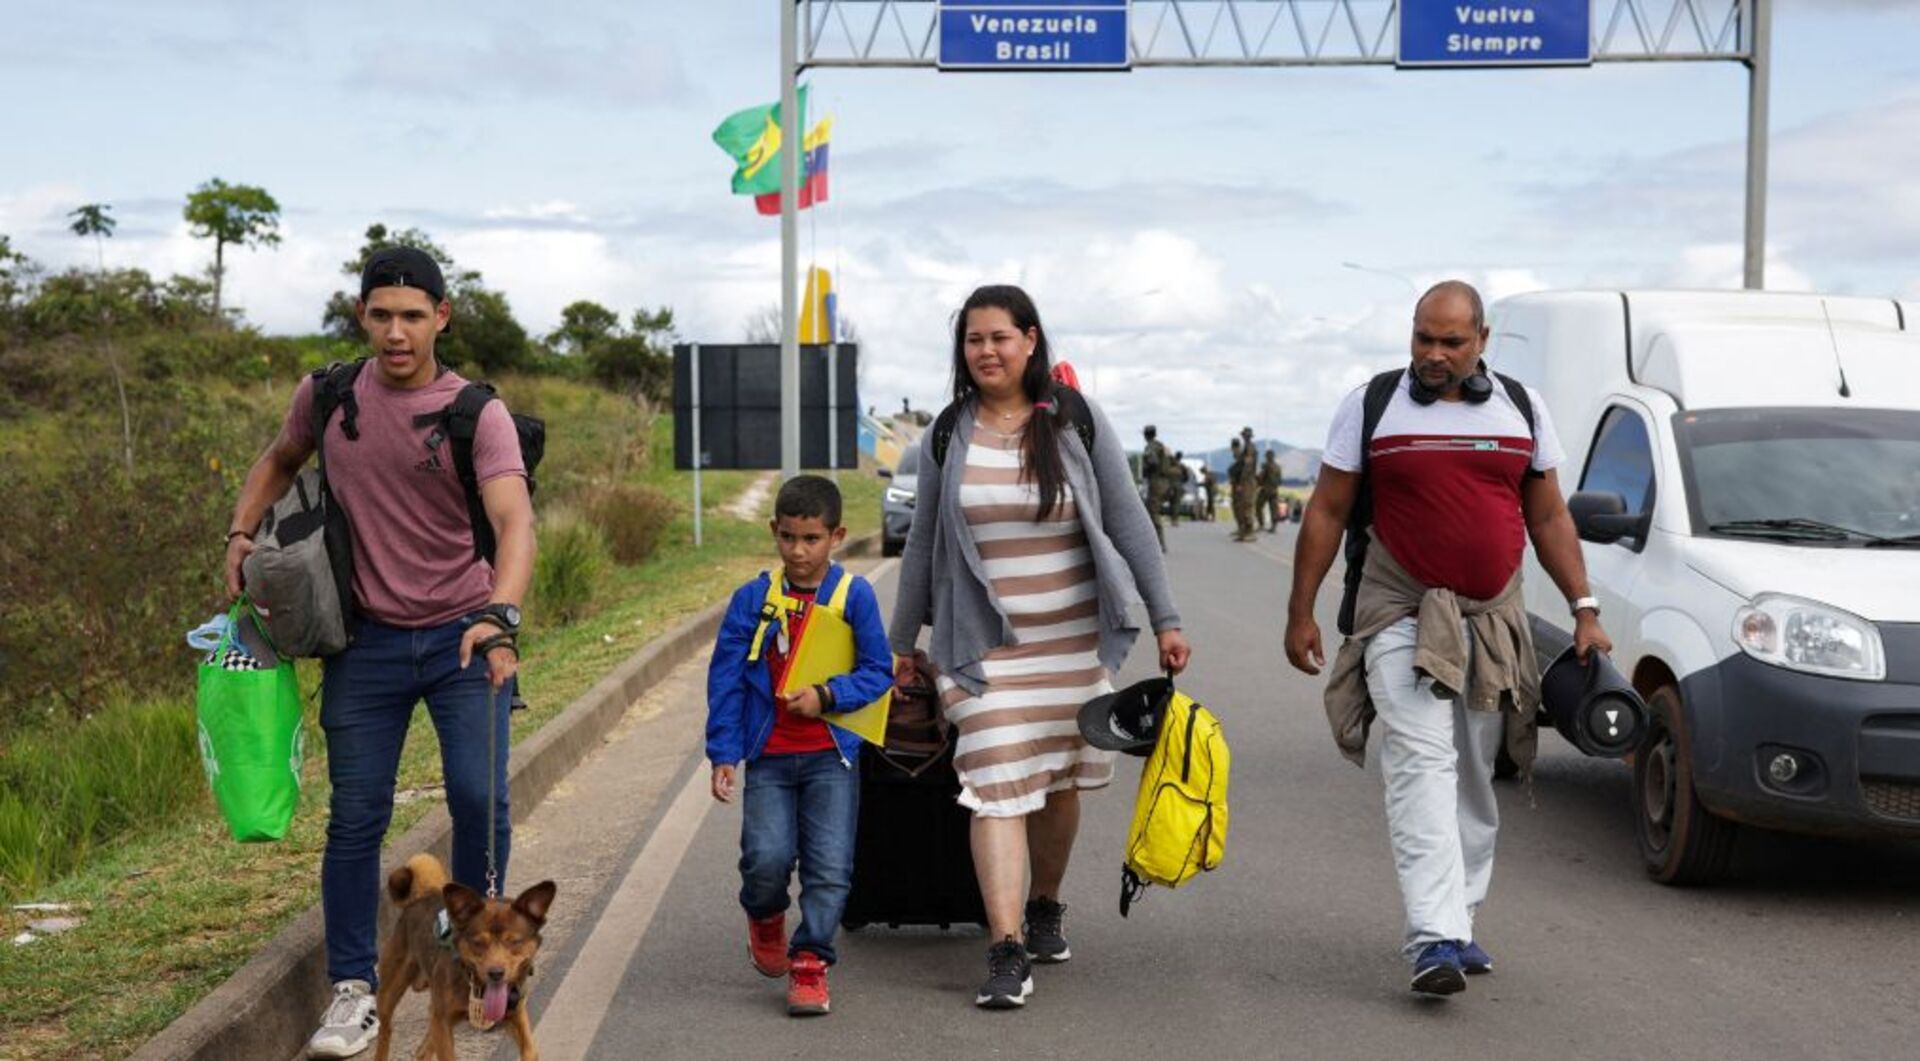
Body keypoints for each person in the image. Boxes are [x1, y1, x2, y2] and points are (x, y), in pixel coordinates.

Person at [222, 247, 535, 1058]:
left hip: (466, 636)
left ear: (442, 316)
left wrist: (501, 615)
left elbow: (515, 523)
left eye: (413, 315)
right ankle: (354, 988)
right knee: (357, 817)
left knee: (476, 796)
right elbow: (277, 459)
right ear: (361, 315)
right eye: (381, 314)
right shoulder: (327, 395)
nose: (397, 332)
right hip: (364, 641)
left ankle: (476, 963)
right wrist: (241, 530)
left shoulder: (475, 411)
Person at [1283, 280, 1611, 997]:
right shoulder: (1373, 403)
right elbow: (1329, 509)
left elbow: (1549, 514)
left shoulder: (1522, 408)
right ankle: (1431, 936)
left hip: (1491, 617)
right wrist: (1300, 609)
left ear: (1482, 340)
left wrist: (1584, 605)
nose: (1433, 354)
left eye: (1450, 342)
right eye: (1422, 338)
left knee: (1470, 770)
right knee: (1419, 759)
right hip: (1398, 609)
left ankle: (1458, 919)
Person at [890, 284, 1191, 1010]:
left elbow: (1127, 518)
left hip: (1073, 642)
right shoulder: (947, 432)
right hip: (982, 648)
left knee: (1057, 782)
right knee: (993, 781)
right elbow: (924, 539)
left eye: (999, 336)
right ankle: (1004, 946)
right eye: (972, 339)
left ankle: (1045, 903)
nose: (985, 351)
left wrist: (1166, 618)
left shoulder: (1074, 422)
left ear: (1030, 340)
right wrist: (902, 643)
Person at [706, 475, 893, 1017]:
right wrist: (723, 752)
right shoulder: (753, 598)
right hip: (768, 758)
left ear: (837, 536)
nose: (799, 551)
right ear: (774, 532)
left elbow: (878, 670)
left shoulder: (852, 596)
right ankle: (765, 915)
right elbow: (726, 681)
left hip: (831, 758)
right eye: (788, 537)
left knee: (830, 867)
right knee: (765, 858)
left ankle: (811, 962)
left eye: (811, 539)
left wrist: (829, 695)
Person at [1141, 424, 1172, 551]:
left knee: (1153, 512)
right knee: (1153, 511)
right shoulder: (1161, 445)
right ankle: (1156, 543)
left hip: (1156, 482)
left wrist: (1146, 470)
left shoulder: (1151, 446)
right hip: (1164, 482)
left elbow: (1153, 462)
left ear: (1145, 435)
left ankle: (1159, 544)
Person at [1229, 428, 1258, 541]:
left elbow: (1247, 467)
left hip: (1247, 481)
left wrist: (1241, 482)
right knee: (1242, 506)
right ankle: (1244, 532)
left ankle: (1249, 532)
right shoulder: (1246, 447)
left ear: (1249, 436)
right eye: (1244, 435)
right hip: (1244, 480)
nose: (1244, 437)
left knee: (1247, 505)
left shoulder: (1250, 447)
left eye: (1246, 435)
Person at [1258, 449, 1284, 533]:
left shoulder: (1266, 466)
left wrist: (1258, 482)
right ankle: (1273, 527)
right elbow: (1280, 481)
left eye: (1266, 456)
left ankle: (1261, 524)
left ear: (1268, 457)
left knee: (1258, 506)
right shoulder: (1278, 467)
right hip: (1274, 491)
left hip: (1265, 490)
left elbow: (1261, 477)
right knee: (1273, 509)